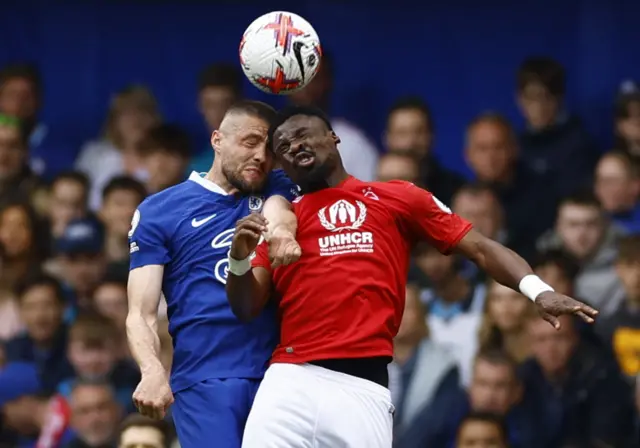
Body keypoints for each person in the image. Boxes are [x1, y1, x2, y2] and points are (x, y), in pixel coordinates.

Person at [226, 105, 599, 448]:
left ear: (333, 138)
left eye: (304, 133)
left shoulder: (397, 197)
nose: (295, 145)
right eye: (284, 144)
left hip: (362, 387)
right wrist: (239, 258)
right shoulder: (280, 224)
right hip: (290, 379)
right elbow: (246, 306)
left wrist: (537, 290)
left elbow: (481, 248)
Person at [126, 100, 300, 448]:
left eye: (269, 149)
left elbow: (283, 213)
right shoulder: (160, 211)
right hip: (206, 379)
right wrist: (152, 370)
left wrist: (282, 232)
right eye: (250, 142)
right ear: (217, 140)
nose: (260, 157)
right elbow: (140, 313)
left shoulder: (281, 187)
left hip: (282, 374)